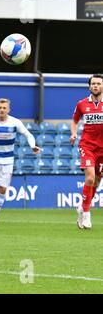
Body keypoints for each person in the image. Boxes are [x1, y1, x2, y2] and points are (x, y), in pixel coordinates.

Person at [70, 74, 103, 230]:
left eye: (98, 84)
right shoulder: (82, 104)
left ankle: (82, 206)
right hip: (87, 146)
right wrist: (74, 133)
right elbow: (75, 120)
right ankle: (86, 214)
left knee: (96, 182)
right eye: (93, 84)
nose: (96, 86)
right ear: (89, 86)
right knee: (89, 178)